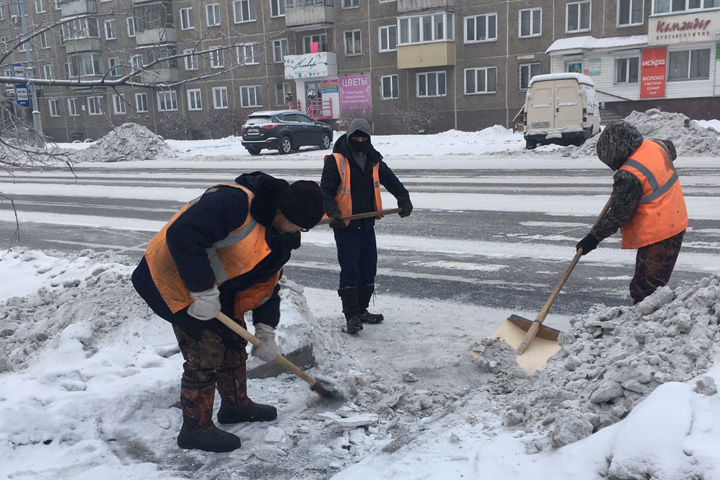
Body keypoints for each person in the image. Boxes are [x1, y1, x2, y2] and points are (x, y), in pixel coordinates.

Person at [131, 172, 324, 453]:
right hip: (170, 277)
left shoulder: (280, 238)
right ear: (282, 210)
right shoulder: (234, 202)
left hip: (214, 290)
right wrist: (202, 290)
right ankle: (195, 429)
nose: (298, 232)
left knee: (235, 342)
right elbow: (182, 234)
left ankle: (235, 406)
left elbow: (266, 286)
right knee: (207, 350)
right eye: (297, 225)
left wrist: (266, 331)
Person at [576, 121, 688, 304]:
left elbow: (618, 215)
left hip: (661, 233)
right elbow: (671, 149)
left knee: (646, 290)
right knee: (645, 283)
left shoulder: (629, 175)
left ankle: (650, 327)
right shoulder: (657, 145)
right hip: (673, 220)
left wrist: (593, 238)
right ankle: (645, 322)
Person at [320, 118, 413, 334]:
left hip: (366, 224)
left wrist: (403, 198)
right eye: (357, 137)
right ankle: (351, 316)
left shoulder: (373, 158)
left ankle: (361, 310)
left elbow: (391, 179)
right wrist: (333, 212)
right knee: (350, 269)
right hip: (345, 225)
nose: (360, 140)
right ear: (350, 137)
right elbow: (325, 191)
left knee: (368, 268)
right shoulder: (337, 160)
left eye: (364, 137)